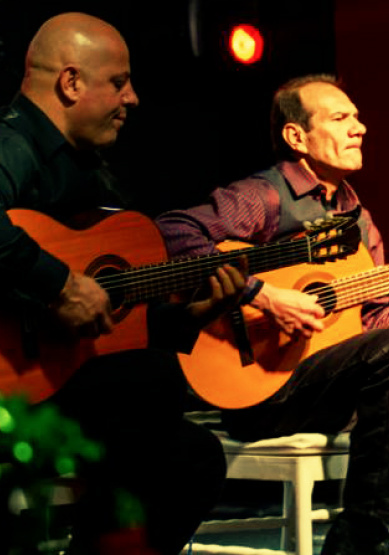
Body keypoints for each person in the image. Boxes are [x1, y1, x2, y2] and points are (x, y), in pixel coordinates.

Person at [156, 74, 389, 555]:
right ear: (296, 137)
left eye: (358, 117)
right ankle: (363, 535)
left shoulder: (357, 217)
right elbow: (171, 234)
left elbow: (386, 328)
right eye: (341, 118)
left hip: (345, 393)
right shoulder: (263, 196)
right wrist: (264, 296)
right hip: (265, 389)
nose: (360, 127)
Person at [0, 13, 247, 554]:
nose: (133, 98)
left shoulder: (91, 173)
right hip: (13, 394)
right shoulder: (11, 145)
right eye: (119, 82)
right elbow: (64, 290)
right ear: (70, 83)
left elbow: (107, 321)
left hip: (72, 392)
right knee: (149, 394)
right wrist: (59, 284)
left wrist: (190, 316)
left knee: (192, 453)